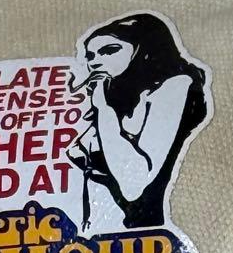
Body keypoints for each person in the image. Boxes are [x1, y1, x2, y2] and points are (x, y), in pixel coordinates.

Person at [66, 13, 209, 234]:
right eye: (91, 56)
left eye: (109, 50)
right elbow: (78, 152)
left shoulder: (175, 86)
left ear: (143, 48)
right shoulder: (119, 98)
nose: (95, 62)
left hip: (150, 233)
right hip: (100, 230)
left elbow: (134, 184)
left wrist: (103, 110)